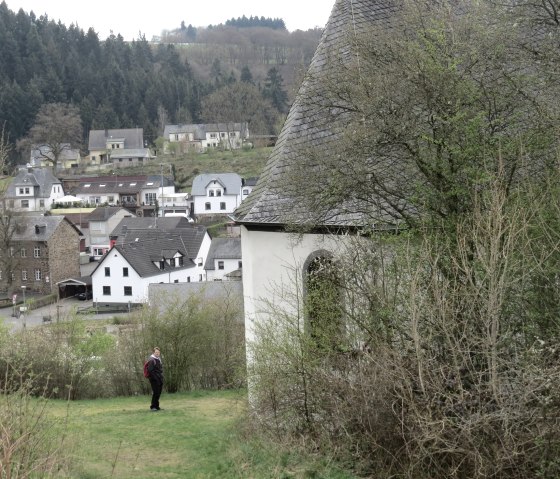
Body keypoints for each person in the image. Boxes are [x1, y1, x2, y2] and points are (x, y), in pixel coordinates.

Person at [147, 347, 164, 411]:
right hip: (154, 379)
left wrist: (161, 377)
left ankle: (157, 406)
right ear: (153, 352)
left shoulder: (158, 359)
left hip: (159, 379)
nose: (157, 353)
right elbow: (150, 371)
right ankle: (153, 407)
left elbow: (160, 370)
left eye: (158, 352)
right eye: (156, 352)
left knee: (158, 393)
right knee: (155, 392)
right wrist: (156, 379)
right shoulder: (152, 360)